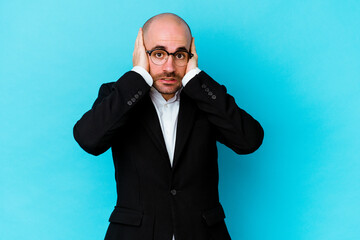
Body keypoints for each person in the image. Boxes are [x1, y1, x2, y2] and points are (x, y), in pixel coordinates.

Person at [73, 13, 264, 240]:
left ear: (191, 56)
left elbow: (249, 140)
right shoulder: (120, 97)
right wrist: (138, 75)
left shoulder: (205, 96)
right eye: (159, 54)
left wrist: (195, 77)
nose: (170, 67)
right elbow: (88, 139)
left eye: (180, 55)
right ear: (141, 52)